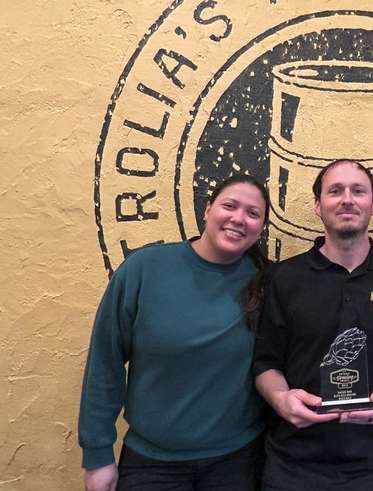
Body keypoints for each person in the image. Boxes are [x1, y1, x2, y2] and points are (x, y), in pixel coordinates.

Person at [78, 174, 270, 491]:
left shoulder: (267, 283)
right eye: (230, 205)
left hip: (237, 463)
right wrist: (98, 456)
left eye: (253, 213)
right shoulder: (144, 269)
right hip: (151, 464)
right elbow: (105, 363)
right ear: (207, 209)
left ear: (261, 228)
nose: (239, 218)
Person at [253, 160, 373, 491]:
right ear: (318, 206)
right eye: (335, 191)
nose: (347, 199)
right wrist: (281, 400)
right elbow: (266, 364)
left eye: (358, 191)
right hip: (294, 465)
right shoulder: (285, 278)